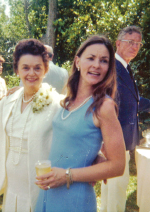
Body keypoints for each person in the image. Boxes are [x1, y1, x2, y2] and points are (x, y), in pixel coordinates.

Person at [0, 39, 62, 212]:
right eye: (25, 67)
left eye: (37, 67)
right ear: (17, 70)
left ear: (45, 69)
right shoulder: (10, 99)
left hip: (39, 186)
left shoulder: (56, 103)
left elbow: (74, 130)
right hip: (12, 186)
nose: (32, 73)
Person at [34, 35, 126, 212]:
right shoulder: (69, 99)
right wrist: (93, 154)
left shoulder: (104, 106)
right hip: (49, 191)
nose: (97, 65)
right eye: (91, 58)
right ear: (77, 61)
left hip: (74, 197)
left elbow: (118, 165)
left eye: (104, 61)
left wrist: (68, 175)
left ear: (109, 68)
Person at [100, 26, 150, 212]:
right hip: (113, 141)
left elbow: (132, 102)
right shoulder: (111, 67)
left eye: (138, 43)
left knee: (112, 192)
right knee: (116, 192)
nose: (135, 46)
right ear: (118, 43)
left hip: (122, 141)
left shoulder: (125, 67)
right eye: (130, 42)